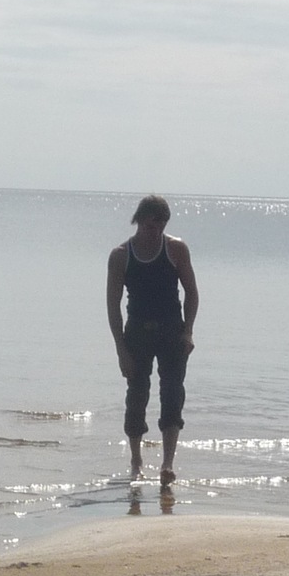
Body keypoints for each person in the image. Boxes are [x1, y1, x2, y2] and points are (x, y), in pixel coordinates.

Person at [106, 194, 199, 487]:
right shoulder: (121, 255)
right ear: (139, 221)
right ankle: (136, 460)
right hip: (137, 331)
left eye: (161, 227)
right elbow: (112, 305)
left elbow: (192, 292)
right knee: (137, 395)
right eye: (150, 226)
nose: (155, 232)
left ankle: (168, 463)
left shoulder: (176, 249)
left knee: (172, 393)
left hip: (172, 330)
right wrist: (121, 350)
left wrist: (188, 331)